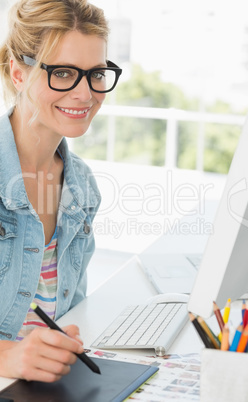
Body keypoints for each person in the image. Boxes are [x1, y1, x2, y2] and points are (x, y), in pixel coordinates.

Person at [0, 0, 122, 382]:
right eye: (65, 73)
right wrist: (6, 358)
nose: (86, 94)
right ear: (19, 74)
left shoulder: (81, 185)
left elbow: (66, 314)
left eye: (96, 74)